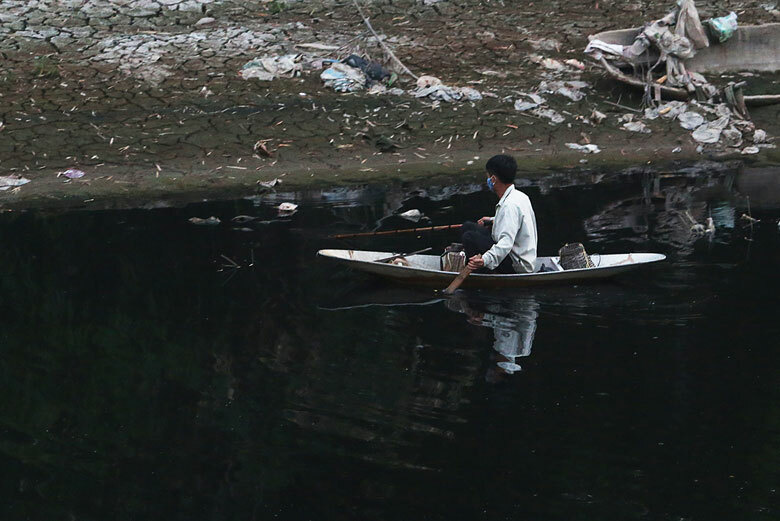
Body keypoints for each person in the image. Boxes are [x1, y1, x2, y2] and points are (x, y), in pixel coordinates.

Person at [461, 154, 538, 273]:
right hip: (516, 254)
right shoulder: (520, 196)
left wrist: (485, 260)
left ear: (493, 179)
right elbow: (515, 221)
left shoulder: (509, 206)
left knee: (469, 237)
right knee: (467, 226)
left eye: (488, 177)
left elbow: (506, 243)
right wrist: (493, 220)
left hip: (517, 264)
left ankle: (482, 271)